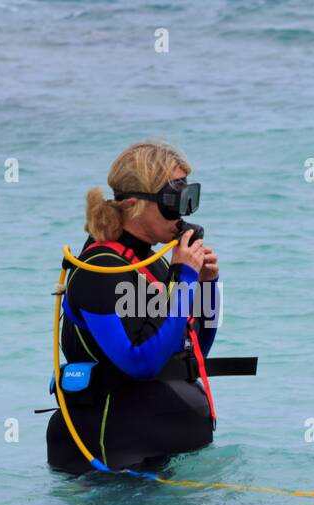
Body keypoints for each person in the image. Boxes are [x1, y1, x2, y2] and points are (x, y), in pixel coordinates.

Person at [47, 141, 223, 474]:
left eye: (189, 198)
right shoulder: (99, 270)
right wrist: (184, 278)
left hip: (156, 453)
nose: (182, 215)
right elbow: (139, 362)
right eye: (173, 201)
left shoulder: (153, 264)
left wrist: (206, 286)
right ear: (134, 204)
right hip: (111, 463)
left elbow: (193, 351)